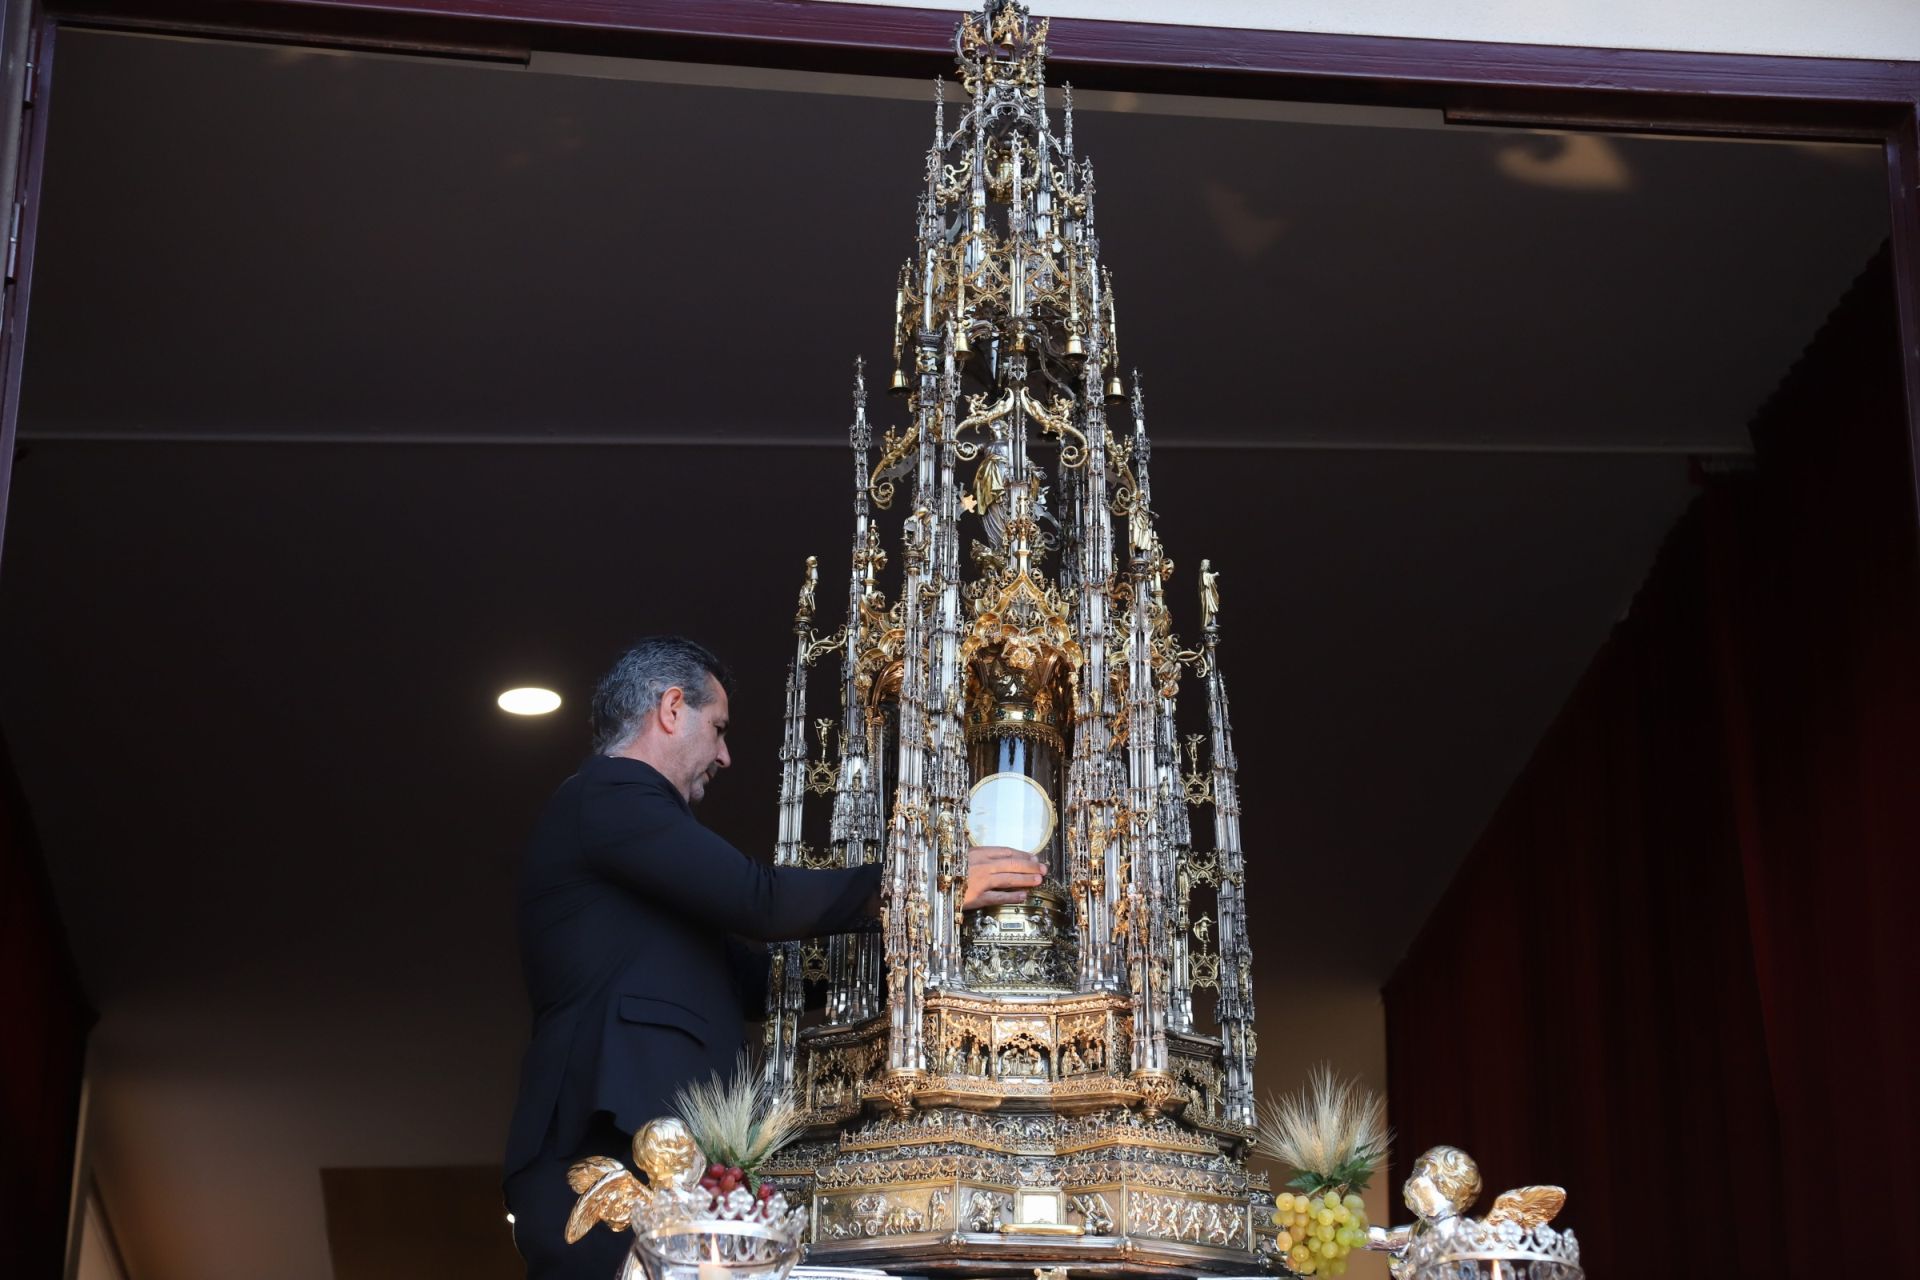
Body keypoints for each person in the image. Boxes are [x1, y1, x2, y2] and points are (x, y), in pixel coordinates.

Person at [503, 636, 1045, 1278]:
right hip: (611, 1144)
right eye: (720, 729)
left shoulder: (635, 846)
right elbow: (758, 898)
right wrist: (926, 886)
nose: (725, 756)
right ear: (672, 709)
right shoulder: (611, 793)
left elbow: (754, 981)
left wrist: (904, 960)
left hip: (661, 1152)